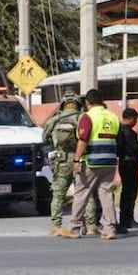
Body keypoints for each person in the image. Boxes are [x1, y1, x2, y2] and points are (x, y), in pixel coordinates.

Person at [57, 89, 120, 240]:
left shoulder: (87, 117)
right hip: (109, 162)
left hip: (92, 161)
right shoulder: (113, 117)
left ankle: (74, 228)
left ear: (87, 103)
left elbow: (83, 139)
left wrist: (77, 160)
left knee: (81, 193)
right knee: (106, 195)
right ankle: (110, 229)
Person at [42, 92, 97, 237]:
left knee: (58, 194)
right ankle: (91, 225)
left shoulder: (55, 120)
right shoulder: (83, 118)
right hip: (80, 159)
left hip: (61, 161)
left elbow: (45, 137)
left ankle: (56, 225)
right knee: (86, 193)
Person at [116, 107, 138, 230]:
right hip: (129, 164)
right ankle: (127, 219)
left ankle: (126, 219)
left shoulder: (119, 131)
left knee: (127, 192)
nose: (136, 121)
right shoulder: (127, 132)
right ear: (129, 118)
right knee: (130, 192)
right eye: (134, 119)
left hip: (125, 163)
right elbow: (136, 149)